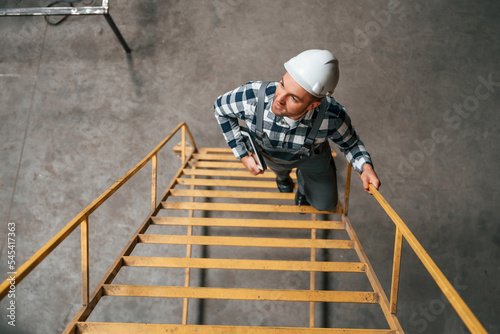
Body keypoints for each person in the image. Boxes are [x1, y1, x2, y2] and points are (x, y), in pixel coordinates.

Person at [213, 49, 380, 211]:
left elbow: (351, 145)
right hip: (271, 157)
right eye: (282, 84)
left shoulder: (332, 116)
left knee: (326, 205)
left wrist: (365, 167)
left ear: (313, 105)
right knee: (280, 172)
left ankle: (303, 186)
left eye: (293, 97)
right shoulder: (252, 97)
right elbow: (220, 108)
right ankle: (283, 178)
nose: (279, 99)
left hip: (312, 158)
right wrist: (242, 155)